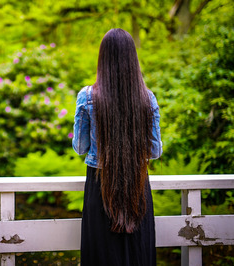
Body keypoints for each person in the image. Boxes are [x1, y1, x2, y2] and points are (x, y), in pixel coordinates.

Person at [72, 28, 162, 266]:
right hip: (136, 187)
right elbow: (154, 151)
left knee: (100, 255)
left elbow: (80, 147)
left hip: (99, 185)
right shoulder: (147, 99)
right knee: (138, 255)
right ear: (133, 59)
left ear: (103, 59)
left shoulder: (87, 96)